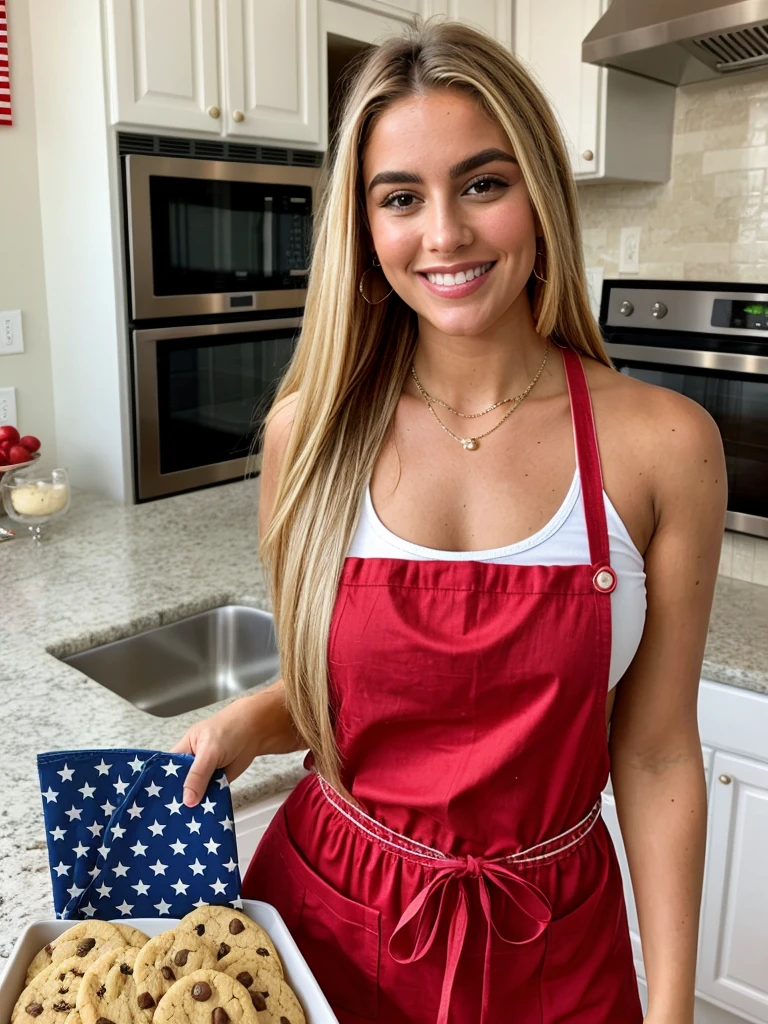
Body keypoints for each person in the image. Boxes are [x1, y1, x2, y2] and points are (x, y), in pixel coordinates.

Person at [172, 18, 726, 1023]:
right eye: (400, 197)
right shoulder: (311, 434)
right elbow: (343, 682)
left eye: (482, 183)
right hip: (327, 920)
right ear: (365, 224)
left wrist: (673, 1006)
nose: (444, 234)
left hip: (553, 941)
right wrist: (251, 717)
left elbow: (653, 750)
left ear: (540, 194)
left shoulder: (664, 445)